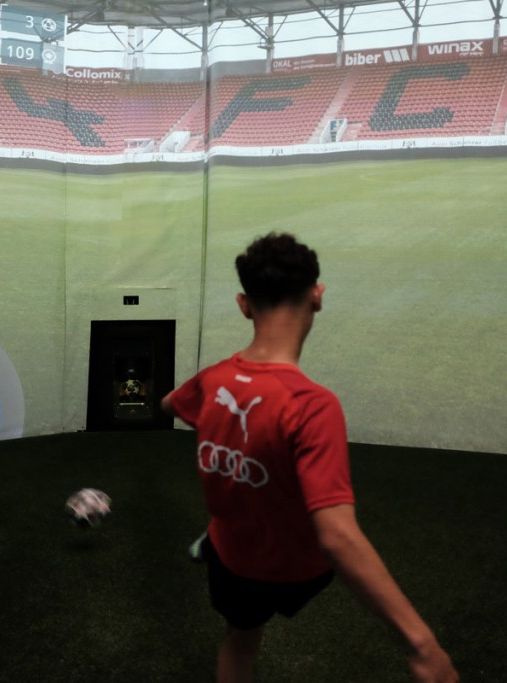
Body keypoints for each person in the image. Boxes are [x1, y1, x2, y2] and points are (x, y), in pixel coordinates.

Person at [161, 233, 457, 683]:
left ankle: (217, 533)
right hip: (296, 571)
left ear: (243, 305)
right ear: (317, 296)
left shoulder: (214, 379)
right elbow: (336, 536)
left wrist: (222, 425)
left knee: (240, 638)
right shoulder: (312, 406)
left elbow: (169, 404)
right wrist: (423, 645)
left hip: (232, 560)